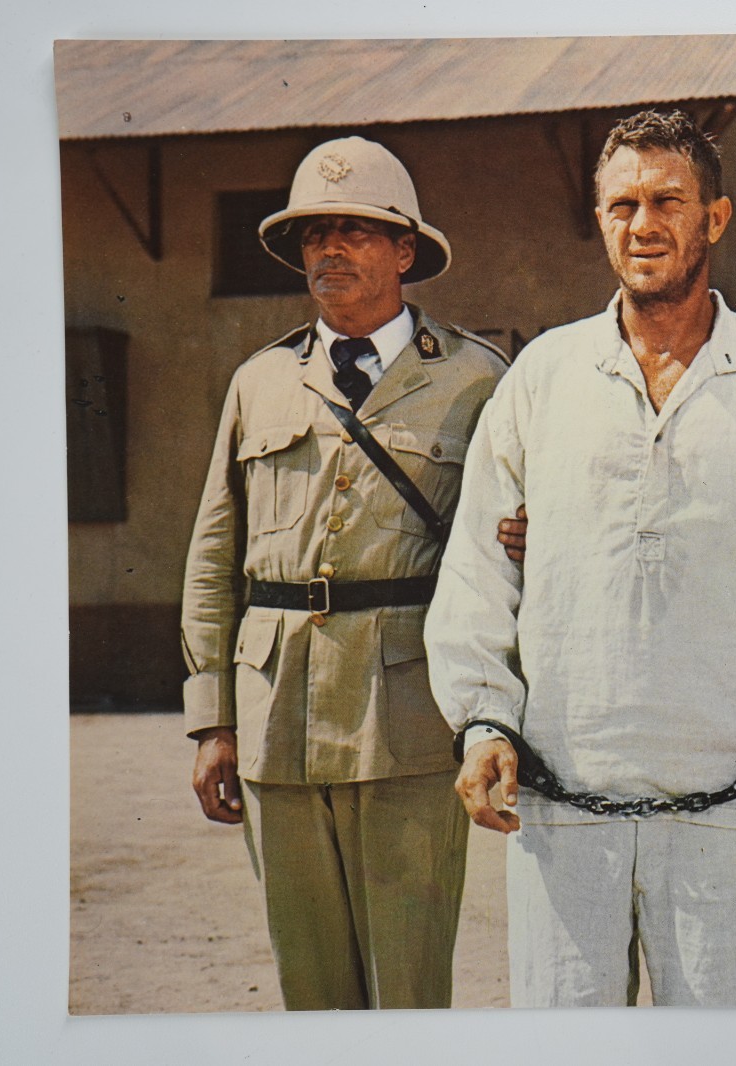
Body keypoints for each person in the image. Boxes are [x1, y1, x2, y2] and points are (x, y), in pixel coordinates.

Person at [424, 110, 736, 1008]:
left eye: (668, 201)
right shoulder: (543, 379)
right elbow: (481, 568)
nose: (644, 225)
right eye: (622, 204)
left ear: (715, 217)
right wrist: (482, 722)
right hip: (560, 811)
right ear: (599, 220)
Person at [180, 136, 508, 1010]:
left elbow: (517, 557)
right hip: (276, 714)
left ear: (405, 251)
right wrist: (211, 718)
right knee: (312, 990)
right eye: (315, 232)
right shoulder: (260, 383)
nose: (329, 248)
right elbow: (215, 559)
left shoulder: (477, 381)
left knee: (407, 986)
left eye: (356, 231)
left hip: (407, 714)